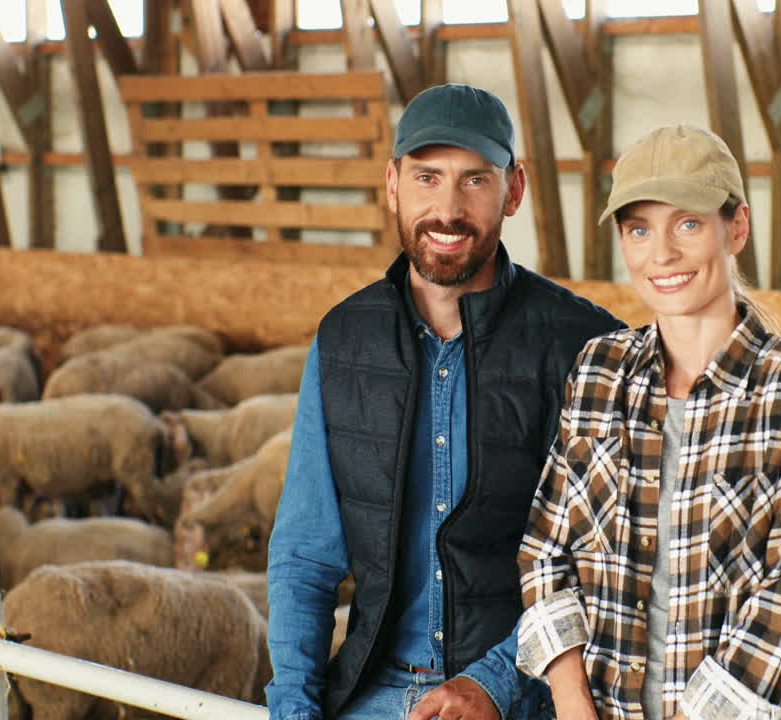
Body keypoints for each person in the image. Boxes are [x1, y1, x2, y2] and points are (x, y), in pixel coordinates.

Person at [266, 83, 626, 720]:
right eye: (427, 178)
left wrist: (493, 682)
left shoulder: (584, 347)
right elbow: (304, 555)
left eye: (474, 181)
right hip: (371, 693)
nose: (448, 210)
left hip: (527, 697)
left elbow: (605, 558)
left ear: (514, 190)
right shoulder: (343, 341)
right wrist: (293, 708)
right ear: (393, 184)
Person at [516, 124, 781, 720]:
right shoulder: (598, 372)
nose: (662, 254)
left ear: (737, 227)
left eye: (688, 224)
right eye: (639, 229)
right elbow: (545, 550)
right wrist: (571, 702)